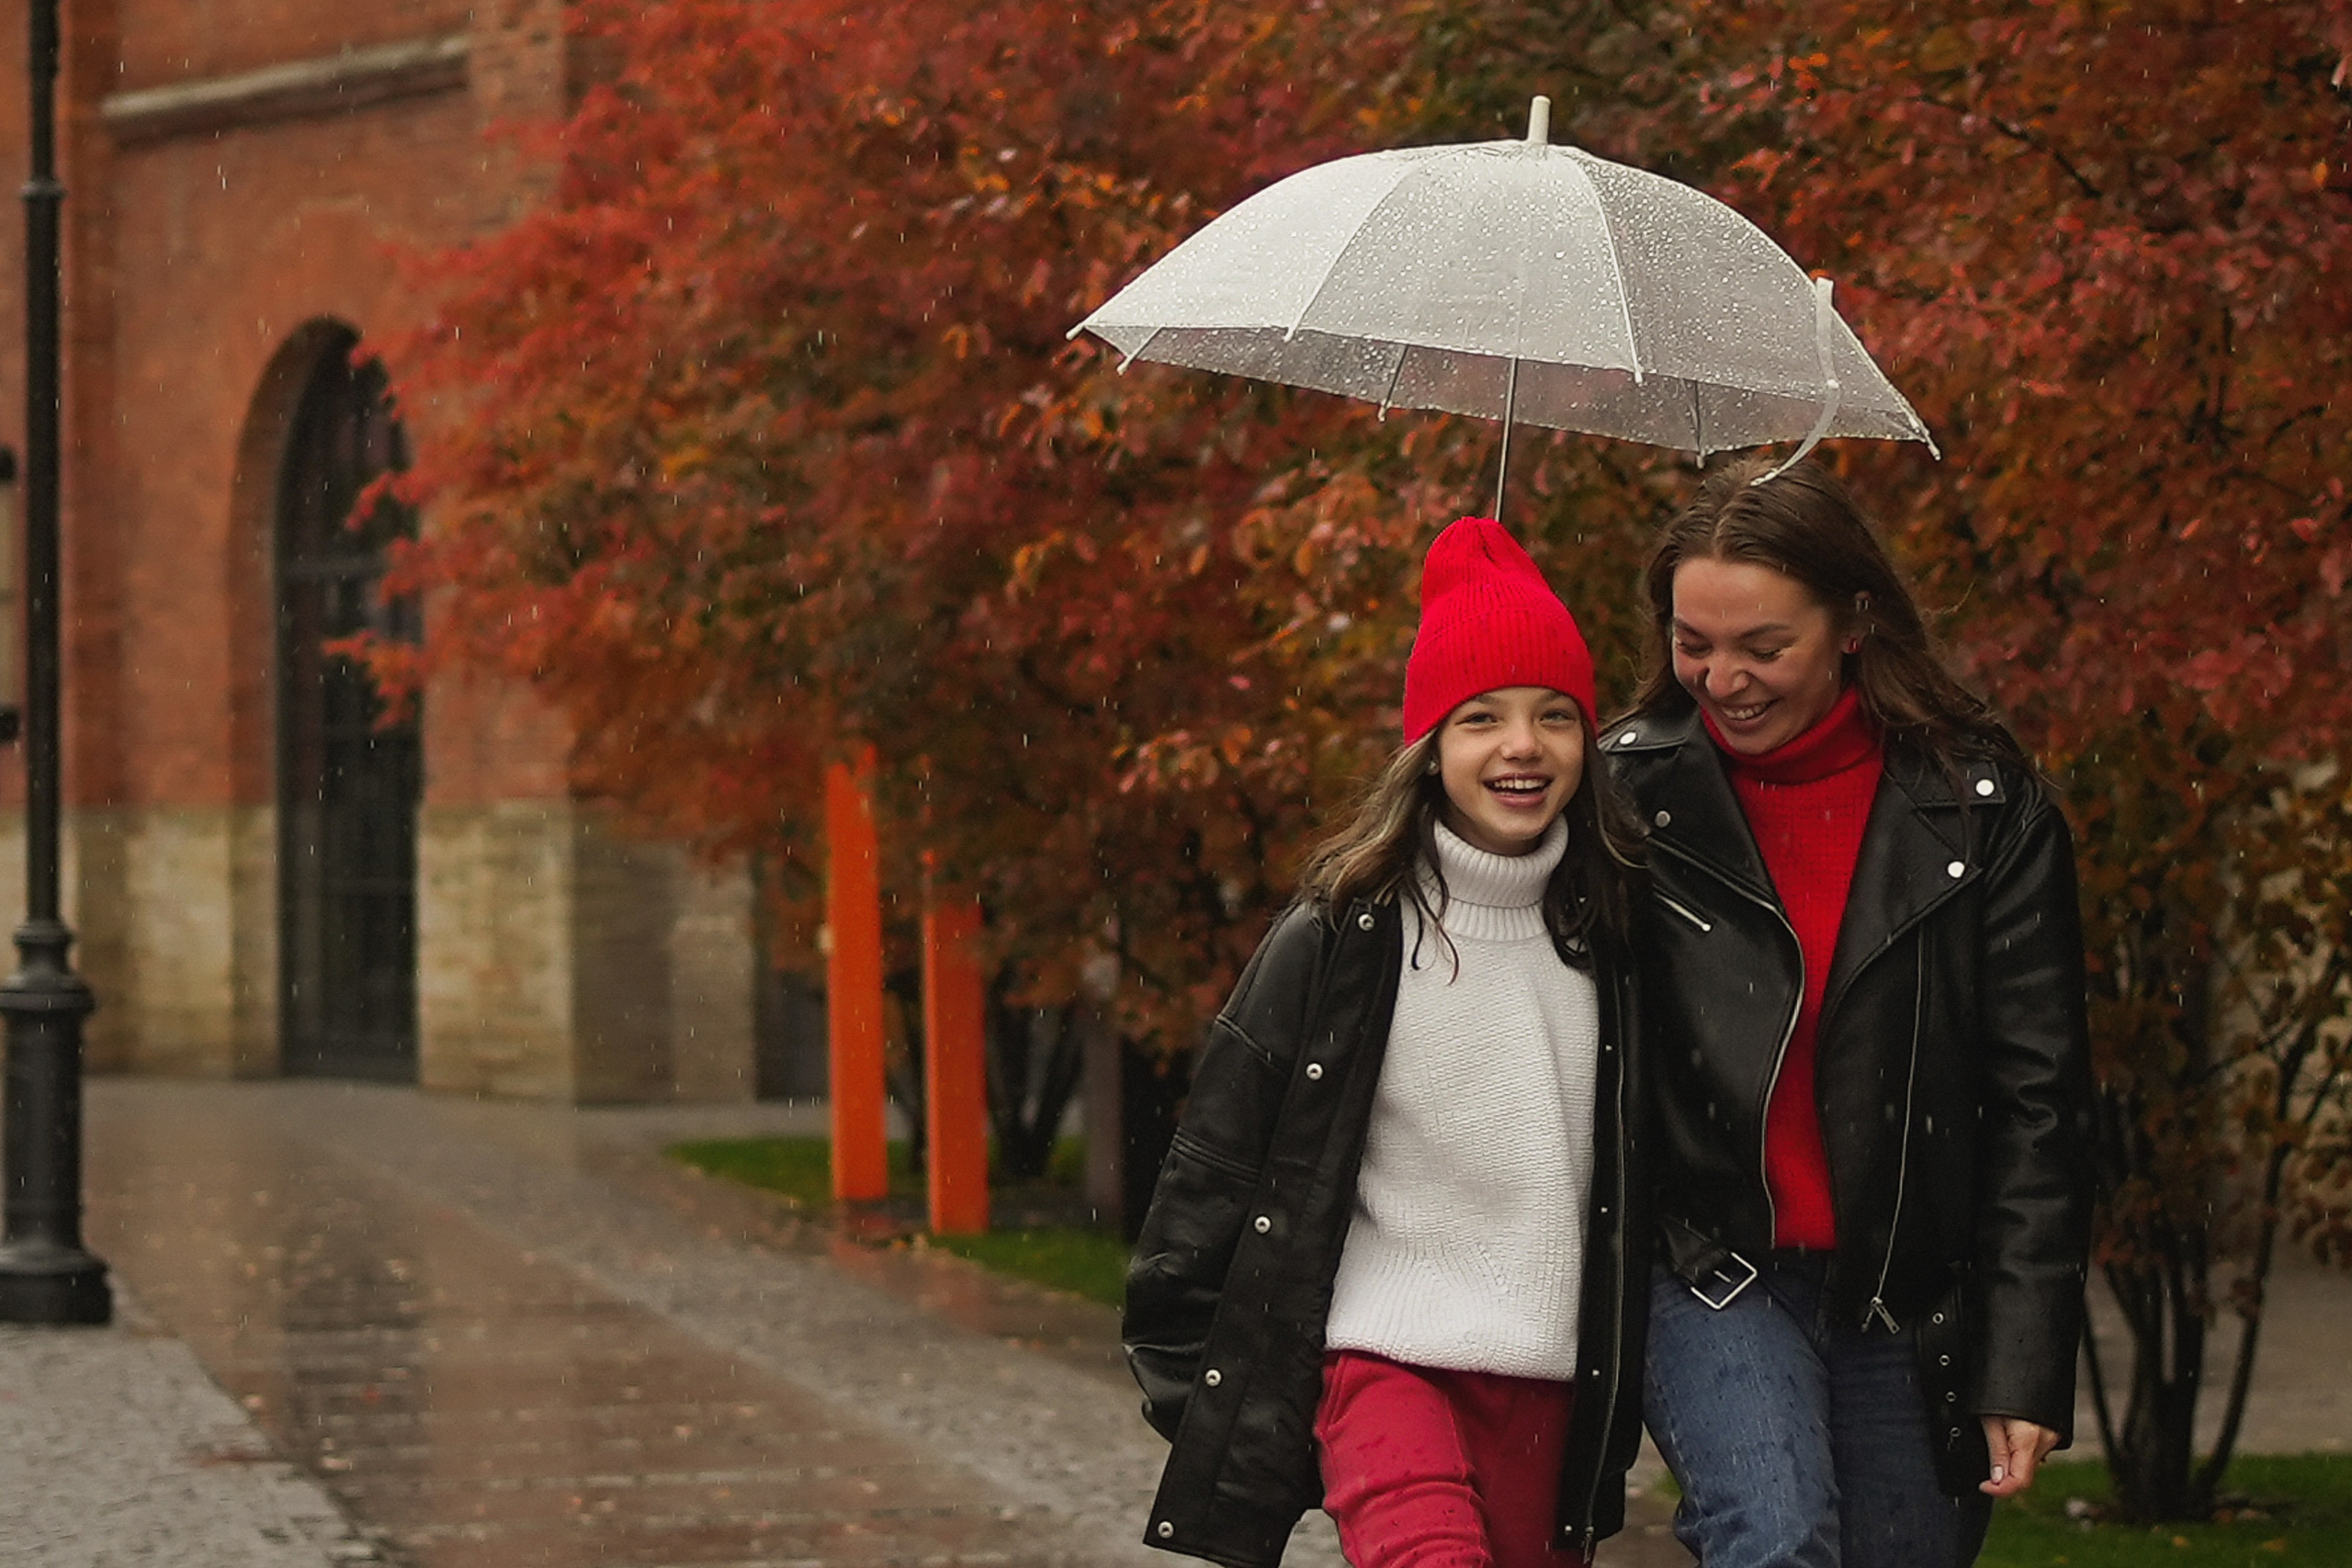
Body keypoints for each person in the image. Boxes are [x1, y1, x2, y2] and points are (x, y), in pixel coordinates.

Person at [1122, 516, 1649, 1568]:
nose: (1521, 746)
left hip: (1548, 1375)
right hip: (1381, 1358)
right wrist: (1189, 1364)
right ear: (1429, 747)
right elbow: (1217, 1158)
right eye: (1480, 717)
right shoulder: (1343, 931)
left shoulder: (1620, 934)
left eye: (1555, 716)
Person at [1602, 457, 2094, 1568]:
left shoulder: (1980, 810)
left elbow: (2038, 1108)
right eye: (1693, 643)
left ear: (1854, 622)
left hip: (1910, 1296)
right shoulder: (1623, 804)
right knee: (1772, 1538)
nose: (1720, 679)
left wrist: (2021, 1360)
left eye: (1761, 647)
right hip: (1706, 1268)